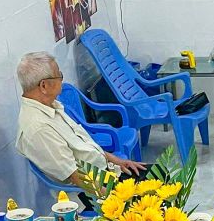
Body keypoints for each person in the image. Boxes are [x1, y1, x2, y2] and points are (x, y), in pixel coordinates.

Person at [15, 52, 143, 186]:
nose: (62, 80)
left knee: (155, 173)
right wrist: (117, 195)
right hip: (96, 188)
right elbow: (75, 176)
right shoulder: (38, 128)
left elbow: (85, 148)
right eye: (59, 76)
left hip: (107, 172)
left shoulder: (50, 106)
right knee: (156, 187)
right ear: (44, 86)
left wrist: (118, 162)